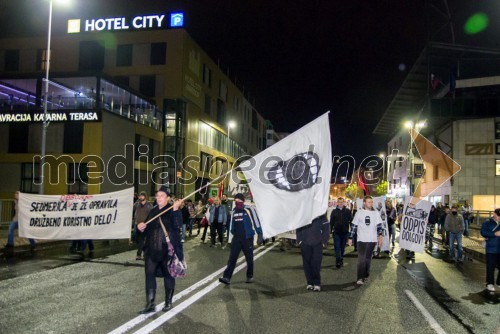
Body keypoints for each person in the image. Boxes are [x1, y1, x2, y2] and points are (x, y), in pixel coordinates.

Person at [136, 186, 184, 313]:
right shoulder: (153, 211)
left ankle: (168, 302)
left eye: (161, 196)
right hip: (151, 250)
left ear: (168, 198)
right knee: (149, 275)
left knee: (169, 276)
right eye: (157, 195)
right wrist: (140, 228)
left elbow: (178, 226)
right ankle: (150, 304)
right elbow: (146, 229)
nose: (158, 198)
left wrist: (175, 210)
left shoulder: (173, 210)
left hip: (167, 251)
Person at [219, 193, 263, 284]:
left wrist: (260, 234)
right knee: (232, 258)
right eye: (236, 200)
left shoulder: (249, 209)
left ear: (243, 201)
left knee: (249, 259)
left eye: (239, 200)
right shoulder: (234, 211)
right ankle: (227, 277)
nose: (237, 202)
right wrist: (232, 236)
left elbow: (256, 221)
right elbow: (232, 226)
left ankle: (249, 276)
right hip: (237, 239)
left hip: (247, 238)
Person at [348, 196, 383, 285]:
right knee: (361, 259)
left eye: (371, 202)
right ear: (364, 203)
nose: (370, 204)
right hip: (361, 240)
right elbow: (354, 226)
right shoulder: (359, 213)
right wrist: (350, 237)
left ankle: (366, 275)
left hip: (372, 240)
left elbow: (379, 226)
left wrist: (380, 236)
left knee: (368, 259)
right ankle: (360, 277)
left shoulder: (376, 213)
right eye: (368, 202)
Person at [297, 214, 330, 291]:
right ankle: (310, 283)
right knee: (307, 264)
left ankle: (317, 283)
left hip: (318, 244)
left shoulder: (321, 214)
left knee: (316, 263)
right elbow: (298, 228)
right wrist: (300, 241)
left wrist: (323, 242)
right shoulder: (304, 213)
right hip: (305, 243)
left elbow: (326, 229)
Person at [480, 208, 500, 292]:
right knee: (490, 267)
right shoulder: (487, 223)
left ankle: (499, 282)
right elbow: (483, 232)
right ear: (494, 214)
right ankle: (490, 283)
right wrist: (494, 234)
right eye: (498, 216)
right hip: (491, 249)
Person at [330, 197, 352, 268]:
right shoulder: (334, 211)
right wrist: (329, 232)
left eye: (342, 202)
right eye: (339, 202)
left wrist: (351, 233)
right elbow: (331, 222)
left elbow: (351, 222)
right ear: (337, 203)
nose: (340, 203)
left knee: (342, 248)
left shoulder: (348, 211)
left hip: (345, 233)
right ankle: (338, 261)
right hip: (336, 232)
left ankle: (341, 258)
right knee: (337, 247)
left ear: (344, 202)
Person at [133, 191, 153, 260]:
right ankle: (146, 252)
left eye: (142, 196)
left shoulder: (149, 205)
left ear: (145, 197)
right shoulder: (137, 204)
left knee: (141, 239)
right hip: (136, 224)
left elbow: (152, 214)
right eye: (140, 196)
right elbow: (131, 209)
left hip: (145, 225)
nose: (140, 197)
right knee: (137, 240)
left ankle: (139, 254)